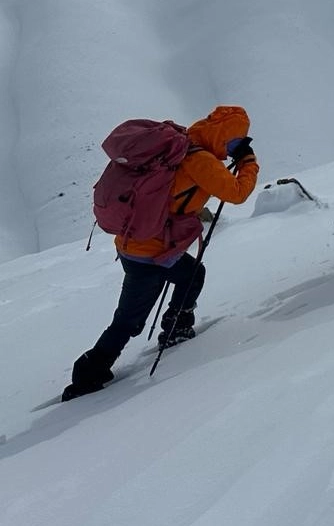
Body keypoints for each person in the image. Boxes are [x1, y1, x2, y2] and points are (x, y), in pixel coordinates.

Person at [63, 105, 260, 402]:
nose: (233, 148)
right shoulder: (200, 160)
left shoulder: (181, 141)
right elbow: (236, 193)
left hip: (137, 245)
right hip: (150, 252)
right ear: (222, 136)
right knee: (128, 320)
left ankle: (176, 327)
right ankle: (87, 375)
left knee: (192, 273)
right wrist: (248, 161)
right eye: (233, 142)